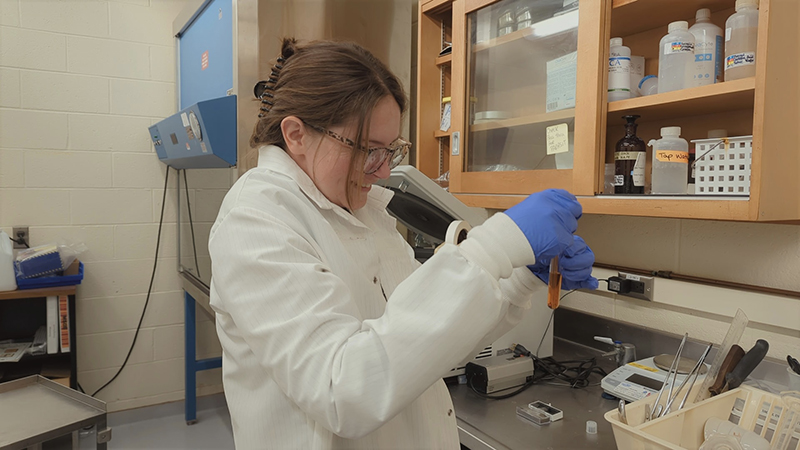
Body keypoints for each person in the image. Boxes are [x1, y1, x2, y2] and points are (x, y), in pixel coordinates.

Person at [208, 38, 598, 449]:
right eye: (366, 149)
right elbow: (342, 391)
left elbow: (433, 334)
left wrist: (520, 277)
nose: (379, 171)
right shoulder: (256, 220)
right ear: (296, 135)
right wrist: (496, 245)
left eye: (389, 150)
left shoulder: (362, 212)